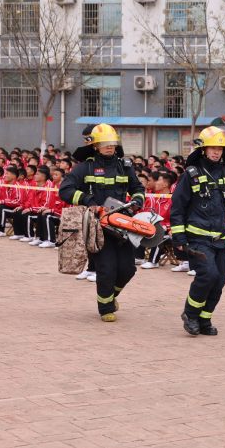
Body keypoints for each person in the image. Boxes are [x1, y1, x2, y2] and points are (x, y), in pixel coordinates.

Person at [59, 123, 146, 322]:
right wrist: (89, 201)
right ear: (95, 145)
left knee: (127, 269)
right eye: (105, 143)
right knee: (106, 268)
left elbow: (138, 187)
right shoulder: (85, 167)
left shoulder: (124, 166)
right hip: (97, 226)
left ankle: (111, 296)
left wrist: (138, 201)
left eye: (112, 143)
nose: (109, 147)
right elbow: (65, 190)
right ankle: (105, 308)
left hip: (122, 224)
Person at [171, 127, 225, 337]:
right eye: (212, 147)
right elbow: (177, 207)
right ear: (203, 149)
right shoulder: (191, 174)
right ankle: (190, 314)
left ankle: (205, 319)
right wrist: (179, 237)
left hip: (221, 238)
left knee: (219, 280)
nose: (216, 152)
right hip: (198, 237)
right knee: (207, 275)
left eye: (219, 148)